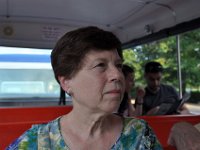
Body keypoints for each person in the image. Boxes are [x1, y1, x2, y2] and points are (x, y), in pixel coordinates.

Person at [7, 27, 162, 149]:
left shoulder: (139, 133)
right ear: (67, 82)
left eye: (118, 65)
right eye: (100, 65)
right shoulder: (38, 141)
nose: (117, 75)